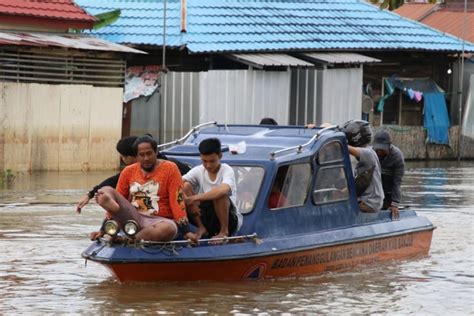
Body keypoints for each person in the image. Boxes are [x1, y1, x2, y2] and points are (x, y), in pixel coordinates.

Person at [95, 135, 198, 243]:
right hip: (133, 218)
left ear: (156, 152)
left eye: (149, 154)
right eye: (142, 155)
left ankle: (128, 240)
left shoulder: (170, 168)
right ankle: (114, 217)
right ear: (136, 156)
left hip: (161, 221)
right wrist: (102, 230)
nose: (146, 158)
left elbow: (177, 200)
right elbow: (120, 197)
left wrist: (186, 231)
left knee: (167, 229)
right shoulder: (128, 171)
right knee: (106, 190)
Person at [182, 138, 243, 241]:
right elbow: (177, 183)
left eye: (212, 161)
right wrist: (185, 197)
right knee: (185, 186)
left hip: (229, 219)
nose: (208, 165)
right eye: (204, 161)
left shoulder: (226, 170)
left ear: (220, 156)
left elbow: (224, 190)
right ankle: (202, 228)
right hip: (207, 217)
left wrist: (193, 199)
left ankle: (224, 232)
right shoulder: (198, 170)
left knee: (220, 194)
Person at [76, 135, 138, 214]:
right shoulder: (128, 172)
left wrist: (90, 195)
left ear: (129, 158)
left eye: (122, 156)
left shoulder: (155, 169)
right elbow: (112, 181)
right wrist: (90, 194)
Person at [342, 120, 384, 213]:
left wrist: (337, 140)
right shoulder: (369, 152)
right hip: (370, 200)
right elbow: (359, 182)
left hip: (370, 203)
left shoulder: (368, 153)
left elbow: (346, 148)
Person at [372, 129, 405, 220]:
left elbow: (397, 182)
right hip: (374, 191)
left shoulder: (397, 157)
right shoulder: (371, 154)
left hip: (388, 192)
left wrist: (394, 204)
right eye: (377, 148)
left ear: (389, 146)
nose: (379, 151)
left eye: (382, 149)